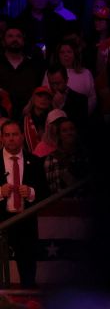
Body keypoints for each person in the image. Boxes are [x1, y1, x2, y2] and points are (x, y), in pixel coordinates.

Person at [1, 118, 45, 287]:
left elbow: (45, 192)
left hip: (26, 223)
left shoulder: (35, 161)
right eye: (7, 135)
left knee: (27, 272)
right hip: (2, 223)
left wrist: (31, 193)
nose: (11, 138)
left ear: (21, 136)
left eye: (15, 134)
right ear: (2, 138)